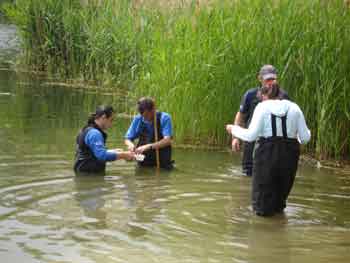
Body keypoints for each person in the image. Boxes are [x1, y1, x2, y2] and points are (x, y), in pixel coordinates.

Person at [226, 83, 311, 216]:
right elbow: (305, 137)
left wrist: (234, 130)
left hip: (266, 154)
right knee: (279, 202)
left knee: (261, 205)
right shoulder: (295, 108)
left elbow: (251, 136)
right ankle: (280, 231)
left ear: (264, 96)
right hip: (290, 156)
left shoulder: (262, 107)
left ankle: (264, 234)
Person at [231, 65, 289, 176]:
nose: (270, 83)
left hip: (273, 144)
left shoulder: (283, 96)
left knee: (271, 175)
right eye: (268, 79)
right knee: (247, 174)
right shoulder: (251, 95)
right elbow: (240, 116)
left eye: (273, 79)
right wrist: (236, 138)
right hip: (251, 140)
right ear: (260, 79)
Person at [74, 105, 135, 174]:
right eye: (111, 120)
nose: (111, 124)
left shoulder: (87, 129)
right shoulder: (95, 133)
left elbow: (91, 153)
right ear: (103, 117)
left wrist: (113, 151)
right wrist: (123, 155)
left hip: (83, 172)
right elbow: (102, 156)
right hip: (89, 175)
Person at [124, 97, 174, 169]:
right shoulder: (138, 119)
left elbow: (167, 140)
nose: (144, 118)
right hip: (143, 162)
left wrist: (148, 146)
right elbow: (127, 138)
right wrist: (130, 145)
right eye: (142, 115)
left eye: (147, 115)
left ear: (153, 109)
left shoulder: (164, 118)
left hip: (161, 161)